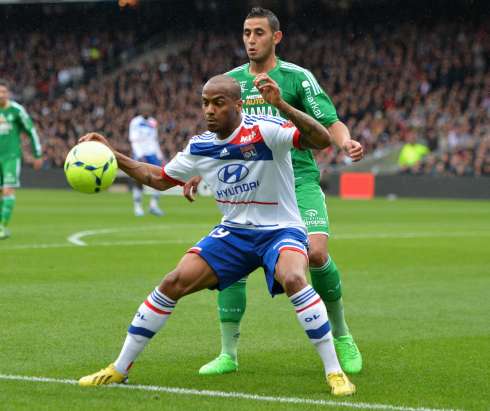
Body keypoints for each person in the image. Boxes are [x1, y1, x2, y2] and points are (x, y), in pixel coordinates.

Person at [78, 74, 356, 396]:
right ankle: (119, 368)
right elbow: (157, 178)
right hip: (234, 232)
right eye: (205, 103)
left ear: (238, 105)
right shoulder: (200, 146)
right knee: (173, 282)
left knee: (294, 277)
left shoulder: (264, 129)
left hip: (280, 229)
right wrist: (112, 154)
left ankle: (334, 372)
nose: (209, 110)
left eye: (218, 103)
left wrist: (281, 105)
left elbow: (320, 140)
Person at [184, 7, 363, 376]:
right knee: (232, 261)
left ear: (275, 38)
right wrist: (199, 170)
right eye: (247, 33)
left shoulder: (297, 77)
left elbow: (330, 122)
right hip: (251, 184)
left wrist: (345, 143)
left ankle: (342, 335)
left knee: (315, 253)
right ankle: (228, 353)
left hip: (298, 180)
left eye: (259, 33)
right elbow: (221, 135)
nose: (251, 40)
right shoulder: (231, 83)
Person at [0, 79, 42, 240]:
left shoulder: (17, 111)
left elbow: (31, 131)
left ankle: (2, 227)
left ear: (8, 94)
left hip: (11, 157)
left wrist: (37, 154)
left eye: (4, 92)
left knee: (8, 190)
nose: (1, 95)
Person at [129, 102, 165, 216]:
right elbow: (134, 140)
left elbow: (154, 140)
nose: (146, 111)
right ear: (140, 110)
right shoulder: (135, 122)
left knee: (160, 178)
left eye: (148, 109)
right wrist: (140, 155)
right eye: (144, 109)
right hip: (140, 153)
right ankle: (138, 207)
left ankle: (153, 205)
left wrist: (160, 156)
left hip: (152, 154)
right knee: (139, 179)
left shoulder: (153, 122)